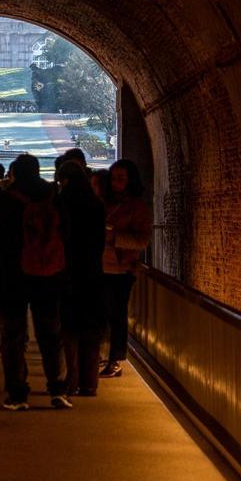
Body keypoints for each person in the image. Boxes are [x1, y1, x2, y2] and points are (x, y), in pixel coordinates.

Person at [0, 154, 71, 410]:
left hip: (11, 277)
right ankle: (57, 388)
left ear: (14, 173)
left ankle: (17, 393)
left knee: (12, 337)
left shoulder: (4, 201)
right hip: (48, 275)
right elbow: (67, 232)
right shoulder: (54, 196)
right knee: (51, 334)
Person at [55, 161, 106, 396]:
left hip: (67, 273)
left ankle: (72, 380)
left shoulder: (62, 203)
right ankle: (90, 382)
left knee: (70, 330)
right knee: (91, 330)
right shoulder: (96, 204)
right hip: (93, 273)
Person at [99, 159, 152, 378]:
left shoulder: (137, 207)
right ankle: (101, 354)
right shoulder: (103, 202)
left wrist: (114, 237)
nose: (116, 182)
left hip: (122, 269)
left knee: (117, 315)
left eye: (121, 178)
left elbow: (142, 240)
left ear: (131, 181)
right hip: (100, 266)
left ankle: (115, 359)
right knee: (100, 313)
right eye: (113, 178)